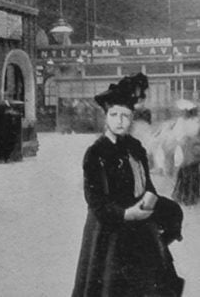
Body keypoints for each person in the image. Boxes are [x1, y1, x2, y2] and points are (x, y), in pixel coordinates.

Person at [72, 73, 185, 296]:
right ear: (106, 117)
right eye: (114, 115)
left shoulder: (135, 147)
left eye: (125, 115)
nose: (120, 121)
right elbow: (97, 202)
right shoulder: (96, 153)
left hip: (141, 227)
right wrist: (126, 214)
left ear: (132, 117)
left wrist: (158, 206)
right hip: (109, 232)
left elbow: (147, 187)